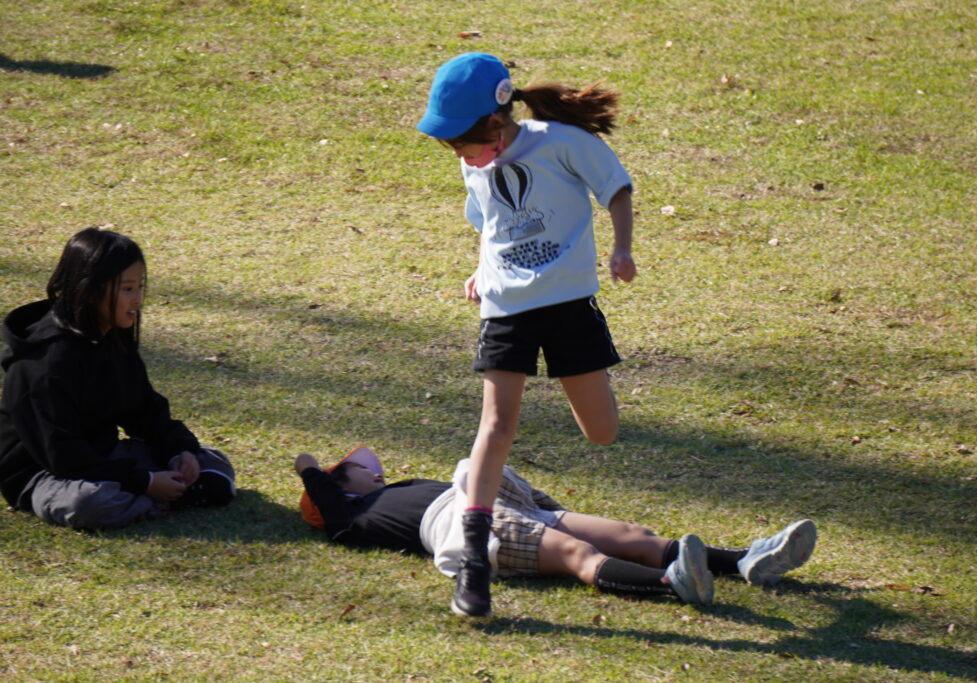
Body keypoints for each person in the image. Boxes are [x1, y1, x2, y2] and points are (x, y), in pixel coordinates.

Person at [416, 52, 638, 616]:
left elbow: (615, 187)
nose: (459, 156)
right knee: (497, 424)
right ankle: (473, 558)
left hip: (567, 306)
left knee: (603, 432)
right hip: (506, 310)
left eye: (461, 143)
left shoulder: (558, 140)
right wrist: (481, 270)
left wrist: (621, 247)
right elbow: (490, 223)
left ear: (494, 122)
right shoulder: (475, 161)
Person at [295, 448, 817, 613]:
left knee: (630, 532)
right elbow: (329, 513)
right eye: (362, 468)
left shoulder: (388, 488)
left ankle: (744, 560)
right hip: (465, 527)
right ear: (342, 484)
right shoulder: (357, 518)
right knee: (575, 553)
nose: (375, 468)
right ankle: (671, 585)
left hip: (497, 501)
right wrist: (309, 469)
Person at [0, 228, 236, 530]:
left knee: (213, 463)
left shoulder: (111, 336)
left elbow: (143, 409)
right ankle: (164, 498)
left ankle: (160, 494)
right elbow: (62, 455)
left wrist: (179, 451)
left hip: (104, 457)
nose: (137, 299)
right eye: (127, 289)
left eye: (140, 287)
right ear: (91, 288)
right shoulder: (47, 360)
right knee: (90, 504)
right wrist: (146, 482)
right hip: (45, 473)